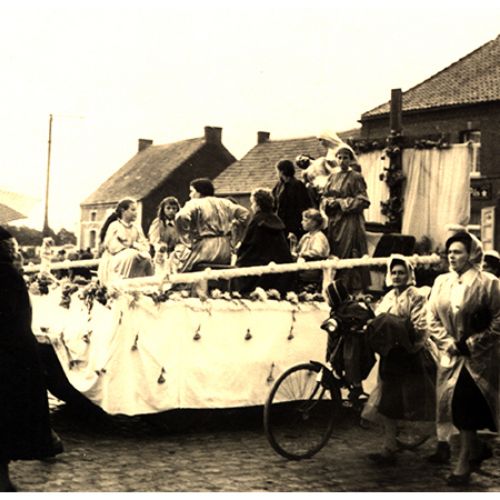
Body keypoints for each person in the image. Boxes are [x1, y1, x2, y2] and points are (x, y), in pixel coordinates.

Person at [427, 230, 499, 486]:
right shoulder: (441, 282)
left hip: (478, 358)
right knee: (452, 407)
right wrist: (448, 343)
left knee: (465, 406)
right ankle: (476, 449)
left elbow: (499, 318)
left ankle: (464, 462)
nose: (452, 256)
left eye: (457, 252)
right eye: (449, 252)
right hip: (450, 357)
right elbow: (431, 317)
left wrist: (471, 343)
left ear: (471, 254)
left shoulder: (489, 283)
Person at [0, 226, 63, 492]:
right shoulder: (8, 276)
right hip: (10, 356)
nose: (16, 252)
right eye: (12, 248)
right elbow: (16, 317)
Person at [363, 255, 436, 465]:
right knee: (388, 400)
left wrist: (402, 335)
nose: (396, 276)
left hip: (412, 354)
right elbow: (378, 320)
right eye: (393, 273)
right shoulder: (388, 297)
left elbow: (421, 327)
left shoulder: (416, 296)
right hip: (392, 355)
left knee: (420, 399)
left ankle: (443, 442)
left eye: (401, 273)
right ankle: (389, 447)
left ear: (409, 275)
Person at [320, 147, 370, 294]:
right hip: (334, 221)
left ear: (350, 159)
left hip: (349, 221)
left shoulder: (356, 177)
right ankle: (334, 288)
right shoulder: (332, 177)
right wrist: (328, 202)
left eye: (345, 158)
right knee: (333, 252)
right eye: (339, 157)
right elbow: (324, 196)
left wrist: (341, 203)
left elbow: (363, 201)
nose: (342, 161)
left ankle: (349, 288)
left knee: (348, 252)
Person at [175, 178, 249, 274]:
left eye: (192, 191)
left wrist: (187, 239)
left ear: (199, 192)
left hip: (206, 246)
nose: (190, 195)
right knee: (221, 275)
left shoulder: (194, 203)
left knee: (186, 273)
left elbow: (181, 216)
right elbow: (245, 214)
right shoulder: (225, 202)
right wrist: (234, 228)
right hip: (225, 247)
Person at [235, 188, 295, 295]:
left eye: (252, 203)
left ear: (258, 205)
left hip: (256, 268)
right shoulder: (277, 220)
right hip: (278, 272)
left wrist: (239, 253)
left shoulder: (256, 221)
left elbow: (248, 245)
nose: (251, 206)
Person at [97, 198, 154, 287]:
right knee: (131, 254)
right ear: (123, 211)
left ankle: (147, 284)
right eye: (133, 210)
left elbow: (145, 245)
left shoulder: (136, 228)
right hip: (115, 258)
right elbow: (111, 247)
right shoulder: (114, 226)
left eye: (136, 210)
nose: (136, 213)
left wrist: (133, 245)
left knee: (146, 257)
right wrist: (126, 247)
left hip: (133, 254)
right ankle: (122, 283)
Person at [272, 159, 313, 240]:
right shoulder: (279, 185)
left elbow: (303, 205)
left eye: (278, 171)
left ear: (282, 172)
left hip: (294, 222)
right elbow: (273, 201)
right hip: (281, 222)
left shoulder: (297, 185)